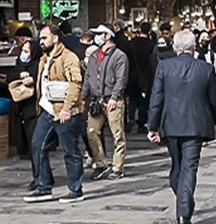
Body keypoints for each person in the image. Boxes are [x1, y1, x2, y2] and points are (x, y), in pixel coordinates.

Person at [147, 30, 216, 224]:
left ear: (175, 48)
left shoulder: (164, 67)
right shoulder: (205, 69)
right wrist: (214, 121)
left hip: (172, 125)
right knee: (186, 169)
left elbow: (156, 99)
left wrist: (152, 126)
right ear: (193, 47)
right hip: (195, 125)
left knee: (178, 167)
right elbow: (215, 101)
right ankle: (185, 208)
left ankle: (184, 210)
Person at [25, 25, 88, 204]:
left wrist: (67, 108)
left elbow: (76, 82)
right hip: (47, 110)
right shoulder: (44, 59)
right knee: (38, 145)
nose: (41, 41)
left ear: (56, 38)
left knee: (70, 151)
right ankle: (43, 186)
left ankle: (76, 189)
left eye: (44, 38)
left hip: (65, 111)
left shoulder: (69, 57)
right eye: (40, 38)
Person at [83, 25, 129, 181]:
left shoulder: (119, 56)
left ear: (107, 35)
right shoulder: (95, 55)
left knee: (117, 135)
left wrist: (115, 97)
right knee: (91, 132)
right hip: (96, 99)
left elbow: (121, 79)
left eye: (98, 34)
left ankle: (118, 167)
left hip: (112, 99)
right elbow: (88, 78)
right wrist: (83, 97)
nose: (95, 37)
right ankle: (101, 164)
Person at [7, 38, 42, 188]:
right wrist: (19, 76)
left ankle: (40, 177)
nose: (23, 54)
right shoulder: (19, 64)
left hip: (33, 110)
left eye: (26, 51)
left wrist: (32, 80)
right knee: (27, 145)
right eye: (23, 50)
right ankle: (38, 176)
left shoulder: (39, 65)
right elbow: (10, 77)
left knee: (35, 145)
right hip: (20, 108)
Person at [128, 22, 155, 133]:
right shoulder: (151, 45)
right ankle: (141, 124)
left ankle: (131, 118)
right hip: (145, 76)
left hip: (131, 75)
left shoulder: (131, 44)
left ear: (139, 30)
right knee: (143, 101)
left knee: (132, 99)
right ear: (149, 32)